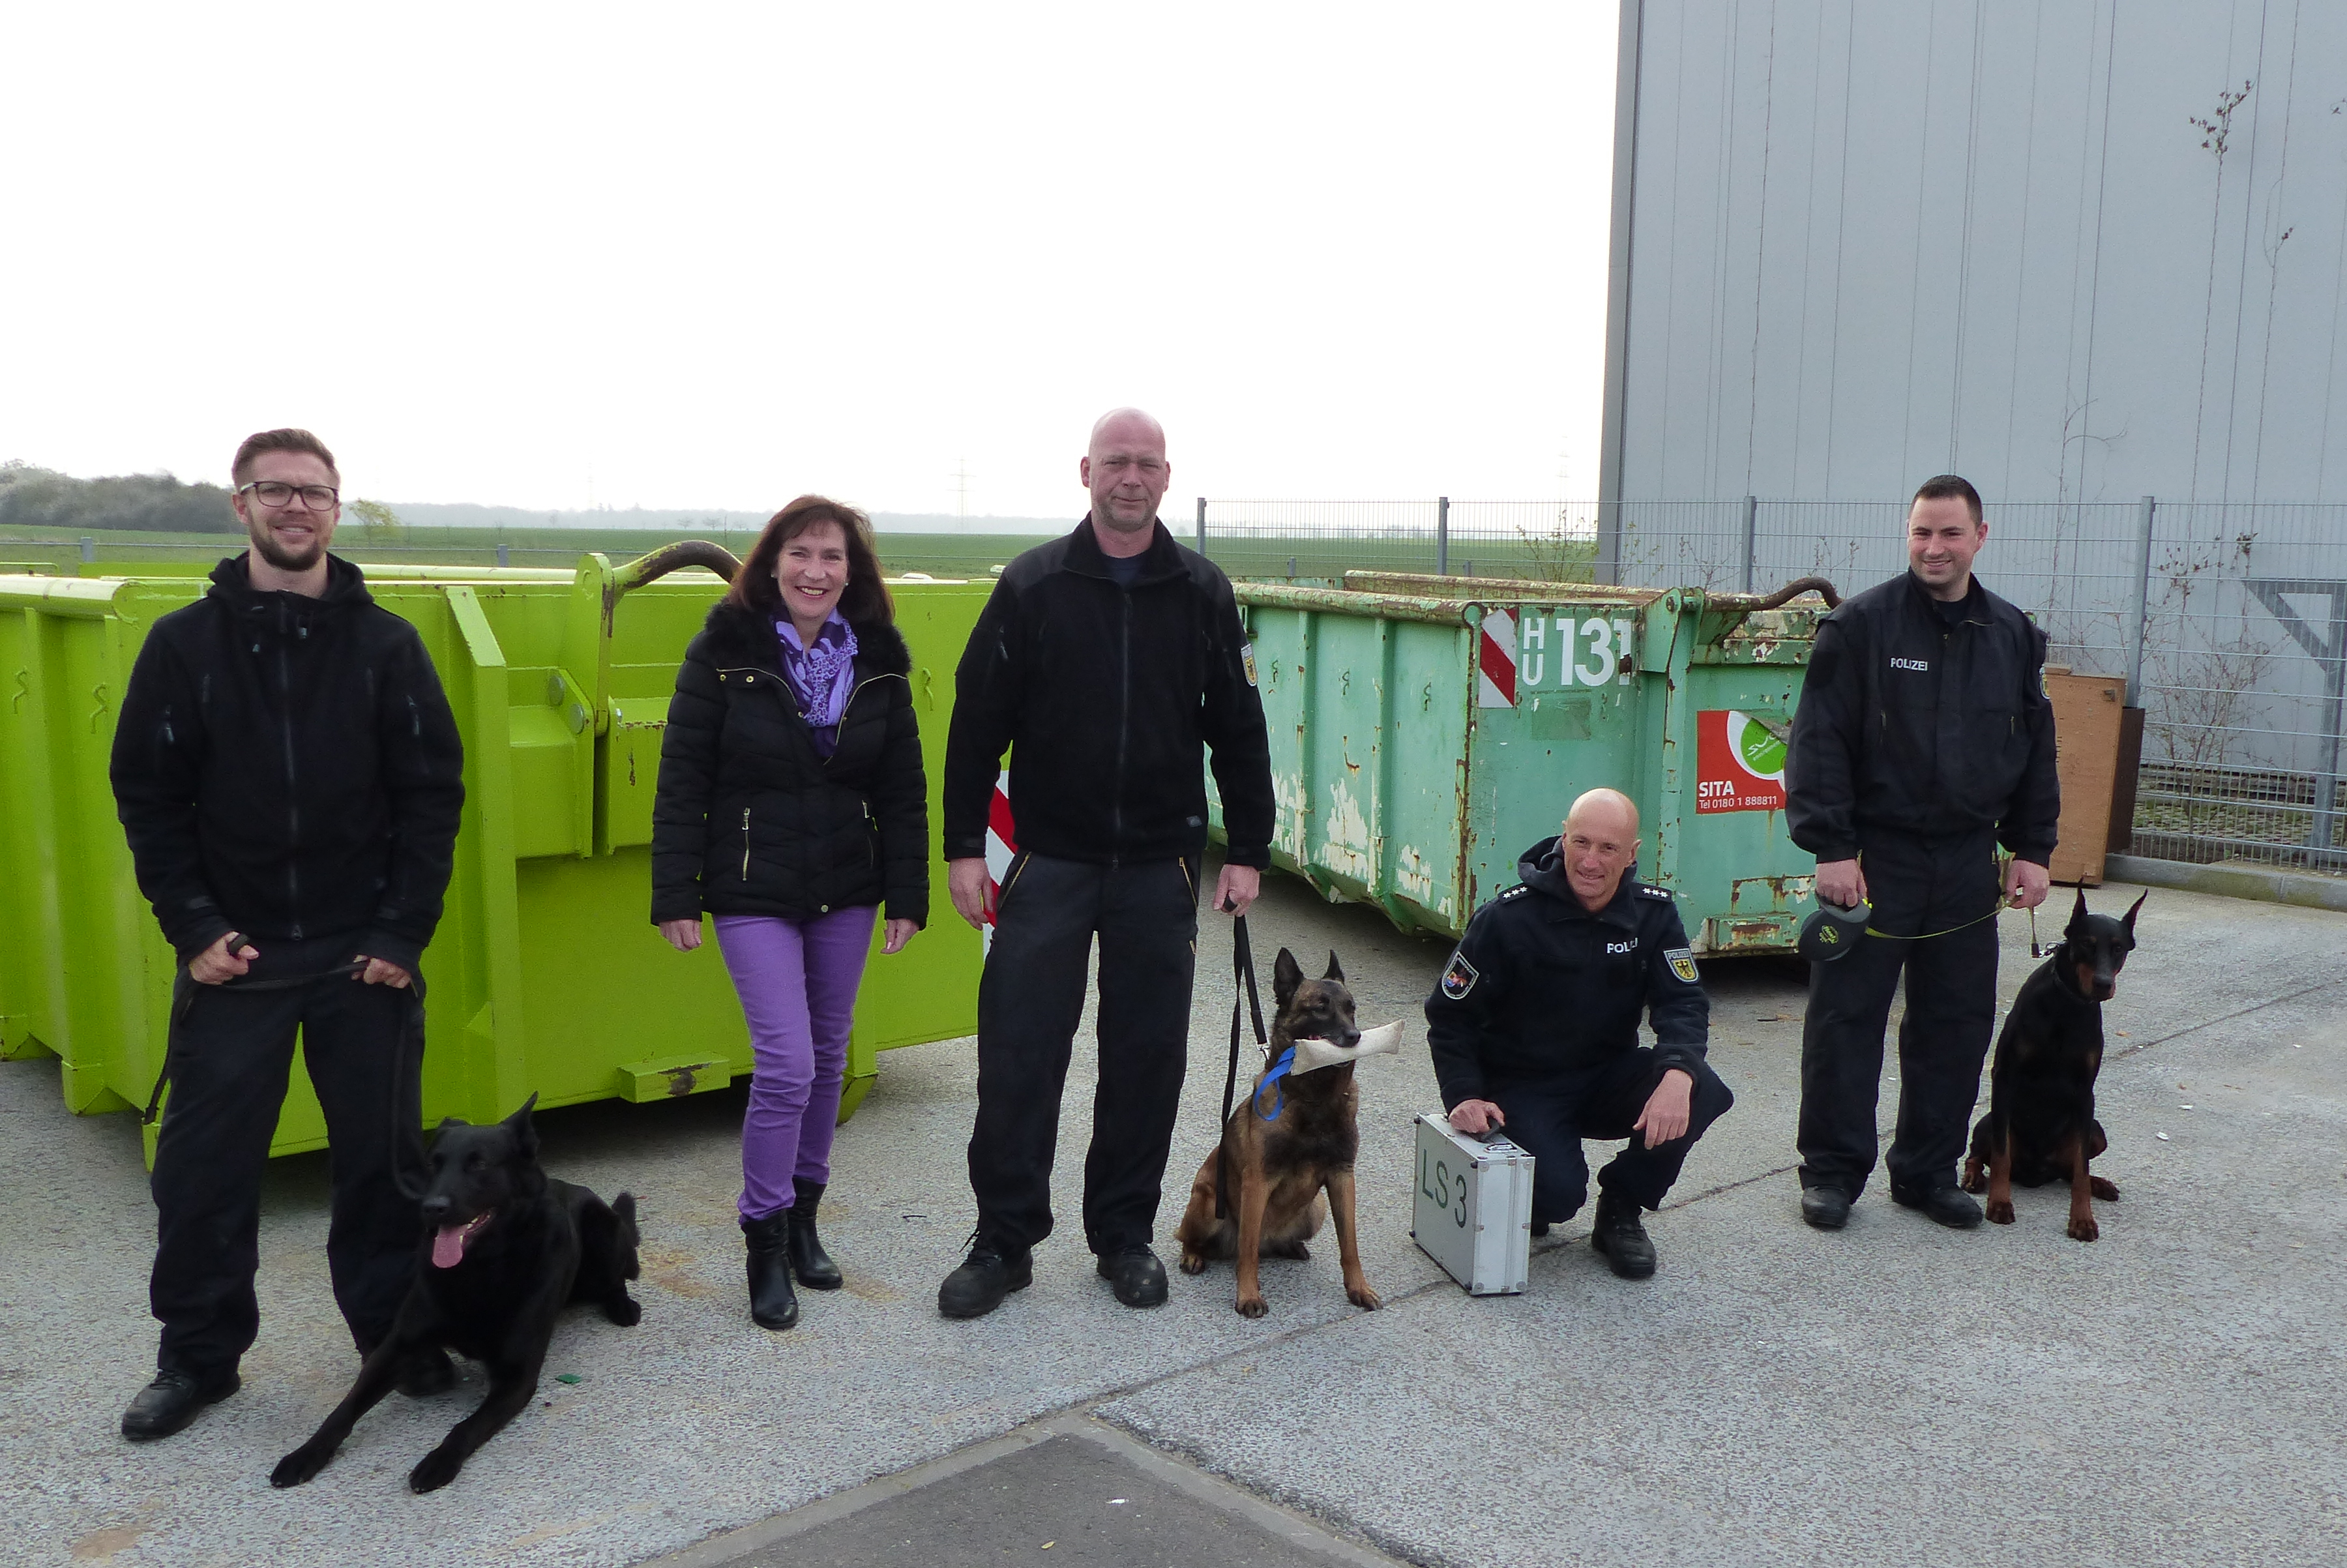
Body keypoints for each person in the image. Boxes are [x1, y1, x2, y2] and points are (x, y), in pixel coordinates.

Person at [108, 428, 465, 1440]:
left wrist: (402, 932)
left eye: (315, 493)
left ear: (337, 510)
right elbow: (148, 795)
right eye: (276, 490)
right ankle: (198, 1359)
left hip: (365, 958)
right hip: (240, 960)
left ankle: (396, 1340)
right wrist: (195, 926)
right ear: (242, 505)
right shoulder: (183, 646)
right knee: (204, 1174)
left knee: (385, 1170)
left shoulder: (387, 647)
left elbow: (432, 797)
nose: (296, 507)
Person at [935, 407, 1275, 1319]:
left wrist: (1247, 849)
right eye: (1116, 462)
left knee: (1146, 1058)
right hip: (1050, 861)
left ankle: (1123, 1235)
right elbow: (975, 727)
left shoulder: (1203, 593)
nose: (1131, 477)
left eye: (1147, 464)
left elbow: (1238, 729)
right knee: (1018, 1055)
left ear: (1167, 478)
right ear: (1086, 471)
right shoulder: (1033, 586)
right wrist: (965, 847)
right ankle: (1003, 1241)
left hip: (1156, 869)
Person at [651, 496, 926, 1331]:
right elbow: (682, 778)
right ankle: (762, 1239)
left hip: (846, 886)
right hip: (749, 890)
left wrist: (907, 895)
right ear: (771, 563)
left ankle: (806, 1221)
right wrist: (675, 893)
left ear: (854, 572)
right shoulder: (722, 652)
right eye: (800, 553)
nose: (815, 571)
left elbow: (903, 789)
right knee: (788, 1065)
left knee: (831, 1054)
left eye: (833, 556)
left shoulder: (877, 659)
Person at [1786, 474, 2058, 1232]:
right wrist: (1833, 846)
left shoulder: (2013, 636)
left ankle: (1927, 1171)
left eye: (1948, 533)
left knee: (1956, 1022)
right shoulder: (1859, 627)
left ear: (1980, 535)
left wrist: (2032, 847)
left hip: (1968, 864)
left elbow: (2037, 750)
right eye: (1920, 533)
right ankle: (1833, 1173)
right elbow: (1818, 743)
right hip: (1875, 859)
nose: (1933, 548)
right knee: (1847, 1020)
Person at [1426, 789, 1732, 1279]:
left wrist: (1677, 1074)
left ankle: (1621, 1208)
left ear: (1632, 854)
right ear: (1563, 837)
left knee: (1701, 1086)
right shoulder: (1507, 918)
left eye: (1608, 848)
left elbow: (1684, 1002)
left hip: (1606, 1075)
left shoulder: (1653, 915)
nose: (1590, 861)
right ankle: (1538, 1190)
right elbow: (1449, 1016)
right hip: (1525, 1085)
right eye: (1581, 842)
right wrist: (1462, 1093)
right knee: (1557, 1197)